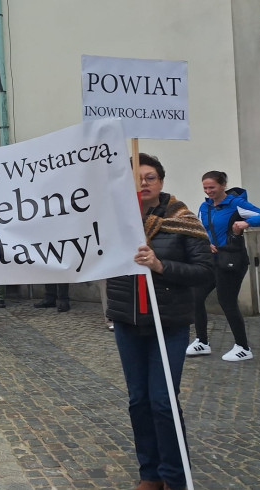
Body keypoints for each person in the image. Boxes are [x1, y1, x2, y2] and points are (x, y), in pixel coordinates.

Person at [106, 153, 212, 490]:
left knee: (163, 401)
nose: (143, 183)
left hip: (168, 323)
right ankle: (150, 474)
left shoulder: (181, 219)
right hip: (128, 322)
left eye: (149, 177)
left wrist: (160, 265)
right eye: (136, 178)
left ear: (161, 181)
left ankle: (174, 477)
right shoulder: (114, 219)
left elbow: (204, 271)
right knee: (138, 401)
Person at [189, 170, 260, 361]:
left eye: (212, 187)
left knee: (226, 301)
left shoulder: (236, 204)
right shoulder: (205, 206)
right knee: (195, 296)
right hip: (211, 260)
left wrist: (246, 223)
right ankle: (202, 342)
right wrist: (205, 243)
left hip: (232, 260)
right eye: (205, 188)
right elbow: (201, 229)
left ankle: (243, 347)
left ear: (223, 185)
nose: (208, 191)